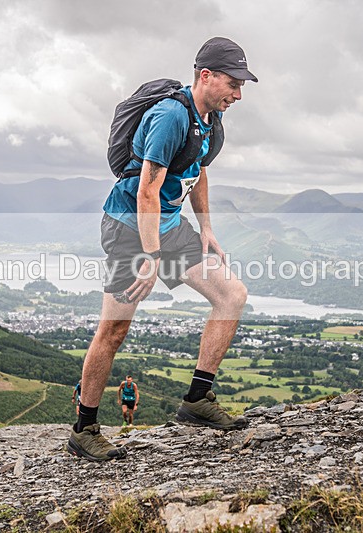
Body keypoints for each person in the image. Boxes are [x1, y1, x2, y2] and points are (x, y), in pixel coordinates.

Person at [67, 37, 257, 462]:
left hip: (169, 227)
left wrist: (206, 227)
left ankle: (196, 401)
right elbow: (147, 192)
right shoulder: (171, 115)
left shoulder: (211, 120)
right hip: (129, 228)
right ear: (205, 76)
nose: (239, 94)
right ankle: (84, 428)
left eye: (243, 86)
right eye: (233, 83)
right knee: (114, 328)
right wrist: (150, 259)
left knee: (231, 295)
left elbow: (198, 171)